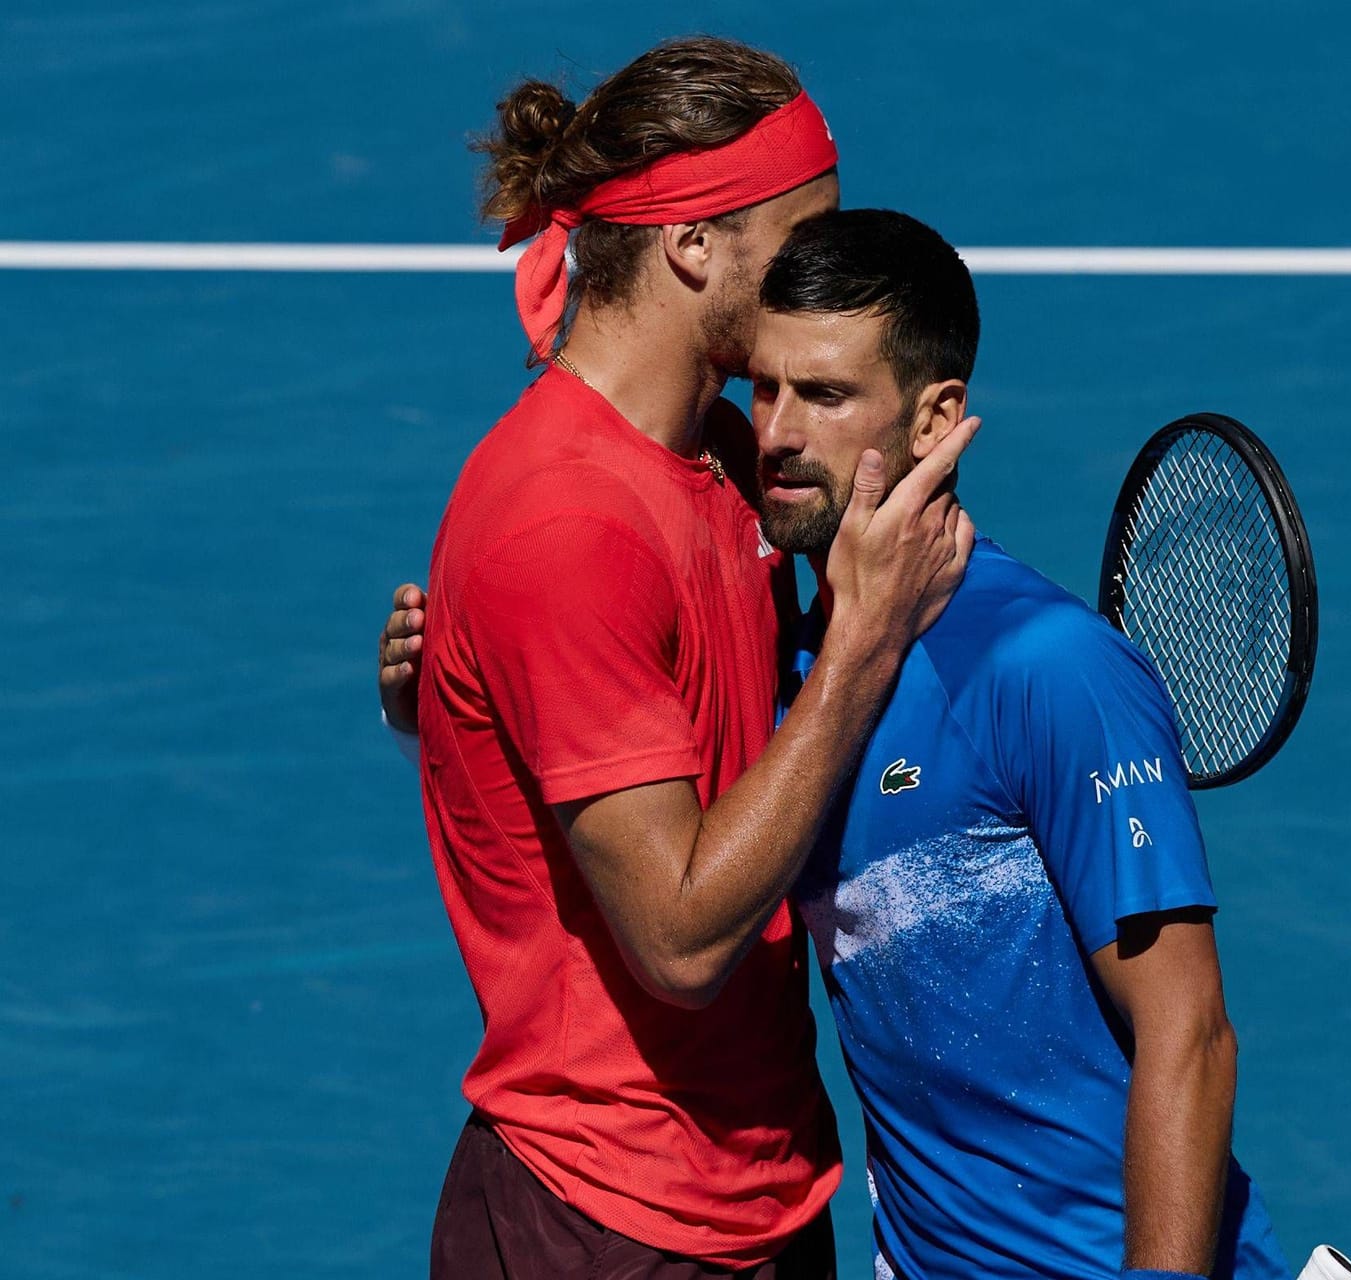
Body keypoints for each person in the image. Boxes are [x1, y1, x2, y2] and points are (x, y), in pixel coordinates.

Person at [385, 210, 1287, 1280]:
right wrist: (441, 694)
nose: (774, 432)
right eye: (763, 388)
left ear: (934, 414)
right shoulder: (800, 679)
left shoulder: (1047, 668)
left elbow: (1190, 1037)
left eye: (826, 395)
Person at [395, 38, 977, 1280]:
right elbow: (680, 939)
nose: (822, 270)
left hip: (753, 1185)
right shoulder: (569, 526)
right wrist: (864, 640)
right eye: (801, 237)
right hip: (606, 1220)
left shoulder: (719, 452)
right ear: (693, 246)